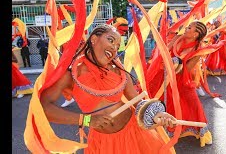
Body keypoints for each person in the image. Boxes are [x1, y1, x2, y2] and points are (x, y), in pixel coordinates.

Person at [39, 24, 176, 153]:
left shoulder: (119, 72)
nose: (114, 48)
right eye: (111, 40)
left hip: (134, 133)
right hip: (102, 143)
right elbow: (44, 109)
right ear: (93, 39)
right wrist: (86, 120)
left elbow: (137, 101)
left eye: (117, 46)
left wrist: (157, 114)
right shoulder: (70, 75)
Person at [148, 21, 213, 147]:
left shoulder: (198, 50)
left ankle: (203, 132)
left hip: (181, 79)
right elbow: (165, 51)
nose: (186, 28)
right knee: (160, 101)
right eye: (187, 26)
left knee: (192, 102)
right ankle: (162, 130)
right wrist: (167, 62)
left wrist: (177, 64)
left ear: (195, 34)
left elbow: (187, 69)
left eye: (189, 28)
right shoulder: (177, 38)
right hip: (164, 75)